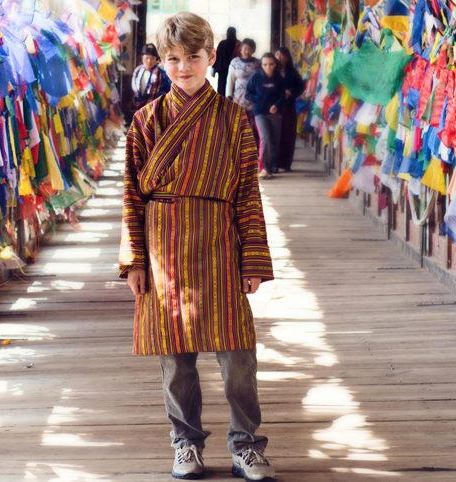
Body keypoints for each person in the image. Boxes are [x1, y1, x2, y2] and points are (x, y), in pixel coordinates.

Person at [119, 11, 276, 482]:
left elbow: (248, 189)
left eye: (192, 57)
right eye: (172, 59)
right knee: (176, 361)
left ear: (211, 58)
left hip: (219, 240)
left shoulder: (234, 119)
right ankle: (185, 443)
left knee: (238, 357)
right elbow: (130, 193)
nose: (182, 67)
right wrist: (134, 261)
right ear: (162, 61)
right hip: (163, 245)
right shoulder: (146, 120)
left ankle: (246, 445)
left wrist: (253, 258)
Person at [244, 55, 287, 179]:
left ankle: (272, 167)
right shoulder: (255, 77)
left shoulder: (279, 79)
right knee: (265, 138)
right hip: (260, 112)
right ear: (261, 65)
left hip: (275, 112)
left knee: (275, 140)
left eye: (270, 64)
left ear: (275, 65)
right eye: (265, 64)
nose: (268, 67)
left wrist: (276, 106)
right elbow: (248, 94)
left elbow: (282, 96)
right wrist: (259, 99)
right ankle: (263, 168)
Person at [271, 47, 305, 172]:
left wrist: (290, 92)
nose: (278, 57)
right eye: (277, 54)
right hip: (275, 107)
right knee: (275, 135)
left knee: (288, 135)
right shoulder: (272, 70)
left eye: (282, 55)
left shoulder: (292, 72)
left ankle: (285, 164)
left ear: (287, 57)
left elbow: (301, 86)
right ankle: (274, 164)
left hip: (288, 106)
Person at [131, 44, 172, 111]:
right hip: (138, 107)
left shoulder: (161, 73)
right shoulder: (137, 71)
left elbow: (168, 90)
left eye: (152, 58)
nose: (149, 61)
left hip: (155, 109)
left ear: (156, 59)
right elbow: (134, 89)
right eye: (147, 58)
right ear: (142, 58)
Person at [224, 39, 260, 109]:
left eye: (250, 49)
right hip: (238, 98)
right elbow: (230, 81)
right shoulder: (235, 62)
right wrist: (228, 96)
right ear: (240, 49)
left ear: (253, 50)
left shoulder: (258, 63)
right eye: (245, 49)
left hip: (254, 98)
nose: (247, 52)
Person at [212, 27, 239, 96]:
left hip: (223, 70)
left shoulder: (222, 43)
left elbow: (217, 56)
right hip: (235, 70)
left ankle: (222, 104)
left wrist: (214, 68)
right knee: (233, 87)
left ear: (227, 33)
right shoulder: (238, 44)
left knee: (222, 88)